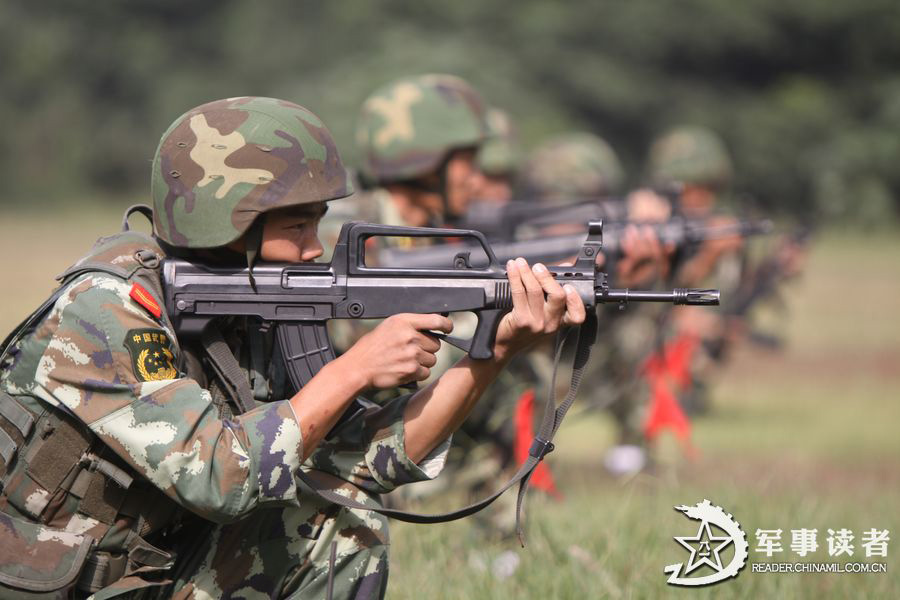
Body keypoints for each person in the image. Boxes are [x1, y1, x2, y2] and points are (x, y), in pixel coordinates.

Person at [0, 96, 585, 599]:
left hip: (141, 570)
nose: (314, 248)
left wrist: (492, 353)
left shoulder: (245, 309)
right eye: (298, 227)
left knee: (343, 521)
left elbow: (364, 463)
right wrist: (356, 368)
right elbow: (218, 475)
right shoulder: (105, 312)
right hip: (49, 583)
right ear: (231, 224)